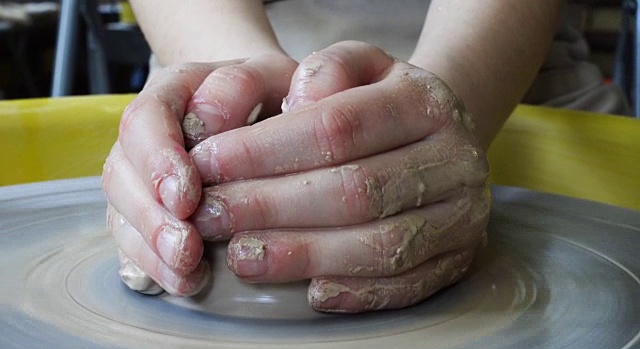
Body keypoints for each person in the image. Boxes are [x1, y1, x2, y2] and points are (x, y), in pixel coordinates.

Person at [101, 0, 627, 313]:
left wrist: (448, 102)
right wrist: (238, 83)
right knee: (193, 195)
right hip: (213, 38)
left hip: (502, 61)